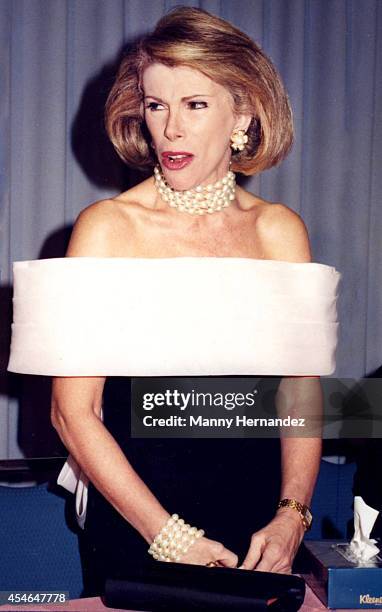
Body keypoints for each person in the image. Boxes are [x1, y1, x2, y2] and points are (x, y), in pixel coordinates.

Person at [50, 7, 330, 595]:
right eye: (156, 105)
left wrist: (291, 516)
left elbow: (299, 390)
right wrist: (167, 535)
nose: (170, 128)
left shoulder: (280, 231)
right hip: (137, 518)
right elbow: (73, 413)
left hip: (259, 520)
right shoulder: (107, 227)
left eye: (194, 105)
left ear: (243, 114)